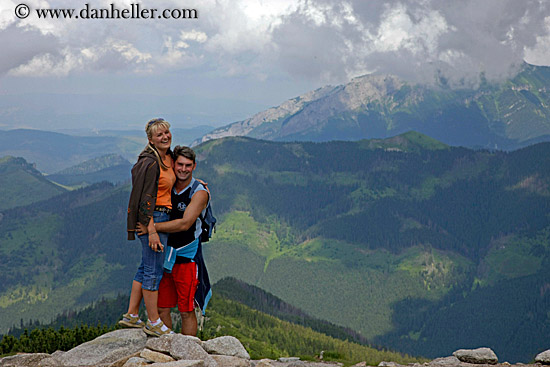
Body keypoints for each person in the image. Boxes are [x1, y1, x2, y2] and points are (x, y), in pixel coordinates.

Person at [137, 145, 211, 336]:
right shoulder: (166, 187)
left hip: (187, 255)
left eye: (188, 165)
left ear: (194, 166)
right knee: (162, 307)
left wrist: (151, 228)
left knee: (186, 310)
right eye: (180, 164)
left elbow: (185, 224)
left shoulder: (199, 192)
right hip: (164, 253)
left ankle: (187, 353)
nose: (183, 169)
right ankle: (166, 346)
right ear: (173, 165)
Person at [121, 118, 176, 336]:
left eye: (167, 132)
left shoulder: (166, 158)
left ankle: (132, 315)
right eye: (159, 134)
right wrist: (151, 229)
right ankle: (153, 322)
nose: (165, 137)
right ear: (150, 139)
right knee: (154, 271)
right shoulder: (152, 163)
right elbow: (145, 199)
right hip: (155, 218)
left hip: (157, 217)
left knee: (145, 267)